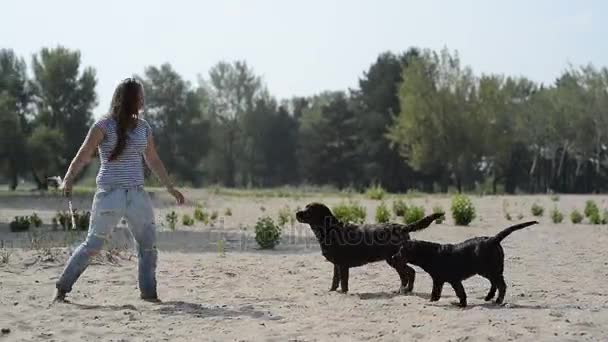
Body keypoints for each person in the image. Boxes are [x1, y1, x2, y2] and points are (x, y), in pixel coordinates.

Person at [53, 78, 185, 302]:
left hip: (136, 194)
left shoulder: (144, 127)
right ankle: (62, 288)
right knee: (93, 244)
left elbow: (152, 159)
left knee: (148, 245)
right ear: (128, 99)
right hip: (109, 194)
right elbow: (84, 153)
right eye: (139, 96)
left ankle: (149, 293)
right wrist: (68, 178)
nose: (143, 100)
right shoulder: (103, 125)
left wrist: (170, 187)